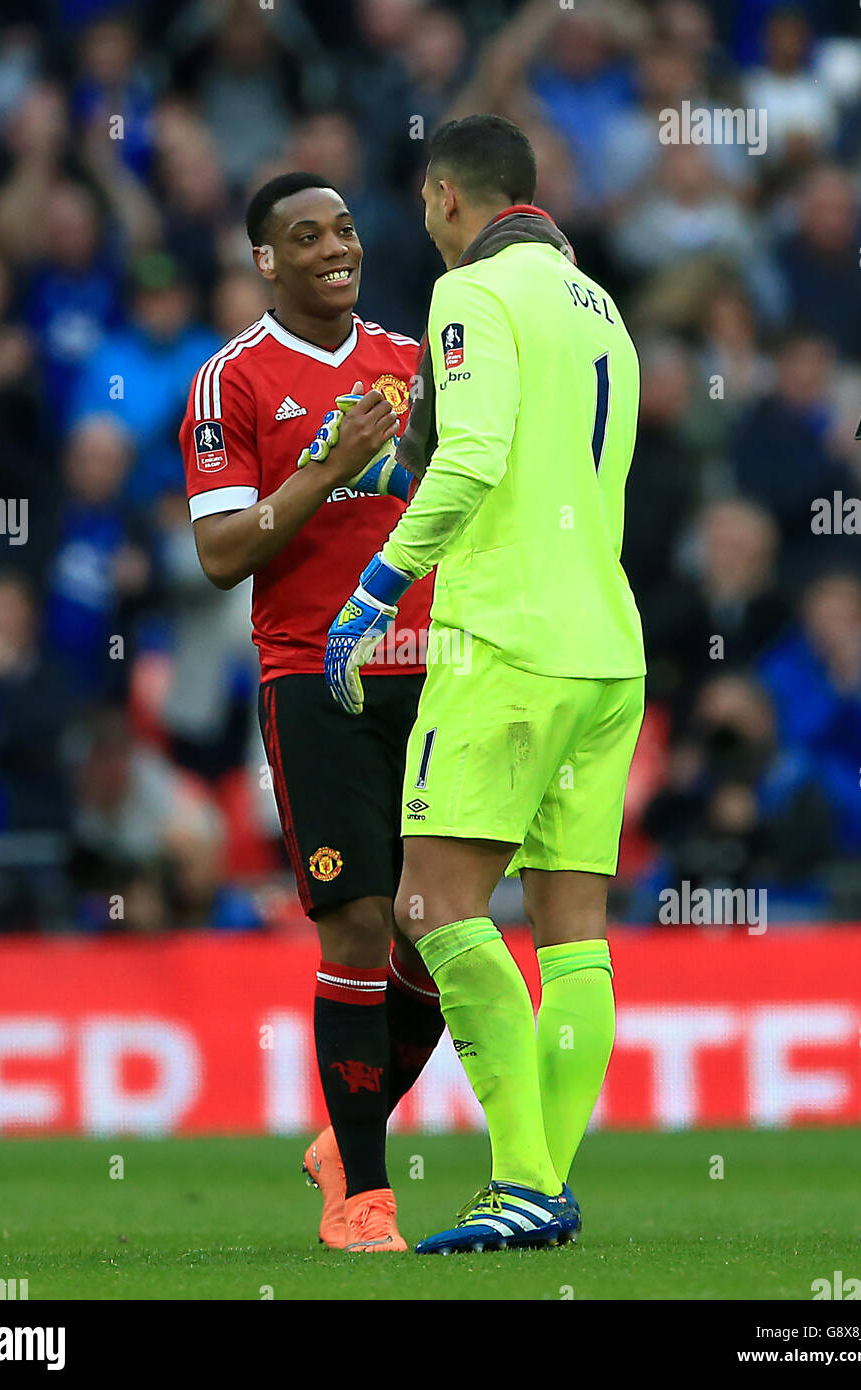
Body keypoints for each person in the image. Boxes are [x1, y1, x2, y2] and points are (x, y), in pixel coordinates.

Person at [322, 115, 647, 1253]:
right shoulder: (600, 306)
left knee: (431, 907)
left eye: (422, 205)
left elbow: (477, 456)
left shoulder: (470, 293)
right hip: (607, 644)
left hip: (506, 641)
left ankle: (520, 1179)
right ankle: (541, 1184)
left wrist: (375, 587)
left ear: (446, 194)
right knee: (573, 936)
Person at [179, 172, 443, 1254]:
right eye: (306, 235)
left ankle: (348, 1129)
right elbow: (220, 553)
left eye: (343, 229)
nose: (336, 247)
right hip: (312, 675)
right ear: (264, 260)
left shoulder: (420, 365)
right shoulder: (229, 383)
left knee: (439, 932)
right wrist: (331, 462)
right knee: (359, 923)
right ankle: (363, 1199)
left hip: (437, 667)